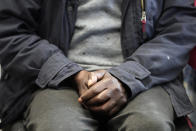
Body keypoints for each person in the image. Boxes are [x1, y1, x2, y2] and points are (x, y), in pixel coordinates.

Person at [0, 0, 196, 131]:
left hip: (145, 76)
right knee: (60, 127)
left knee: (150, 125)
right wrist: (71, 74)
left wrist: (127, 77)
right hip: (54, 79)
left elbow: (179, 30)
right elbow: (10, 29)